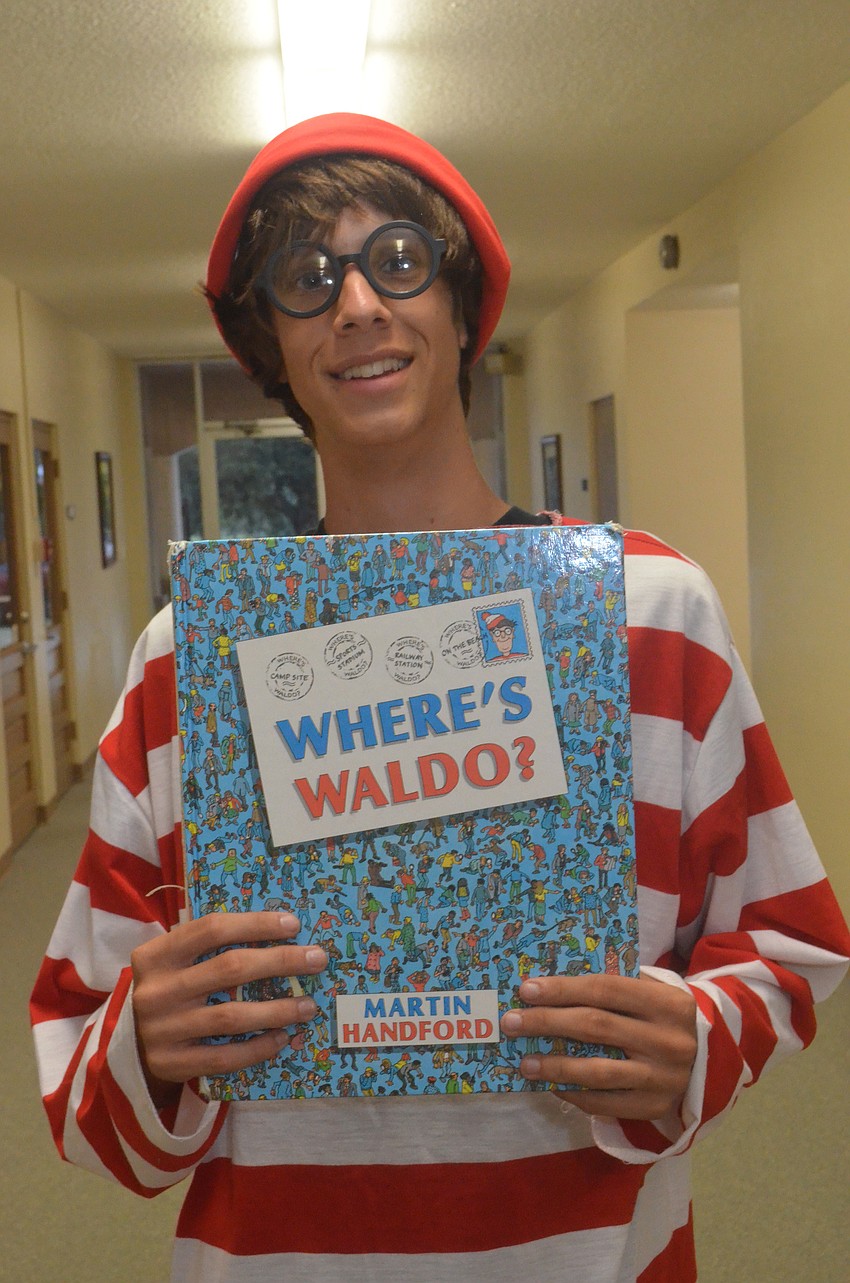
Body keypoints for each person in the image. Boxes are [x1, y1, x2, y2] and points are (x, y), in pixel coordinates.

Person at [30, 113, 848, 1282]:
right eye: (306, 281)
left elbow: (789, 937)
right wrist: (149, 1044)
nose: (358, 306)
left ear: (465, 307)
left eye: (398, 260)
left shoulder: (651, 611)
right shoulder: (189, 659)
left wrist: (697, 1035)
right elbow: (79, 1044)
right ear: (267, 342)